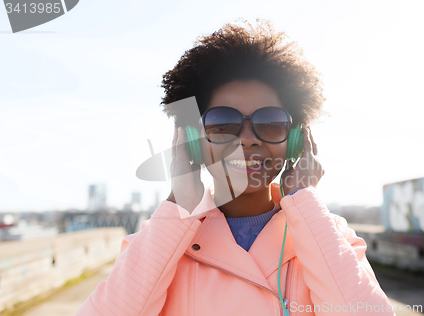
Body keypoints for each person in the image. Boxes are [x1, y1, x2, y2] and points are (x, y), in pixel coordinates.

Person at [76, 20, 395, 316]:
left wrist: (304, 198)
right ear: (192, 142)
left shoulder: (328, 235)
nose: (246, 140)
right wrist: (180, 203)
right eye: (222, 124)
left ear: (296, 142)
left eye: (269, 124)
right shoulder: (160, 241)